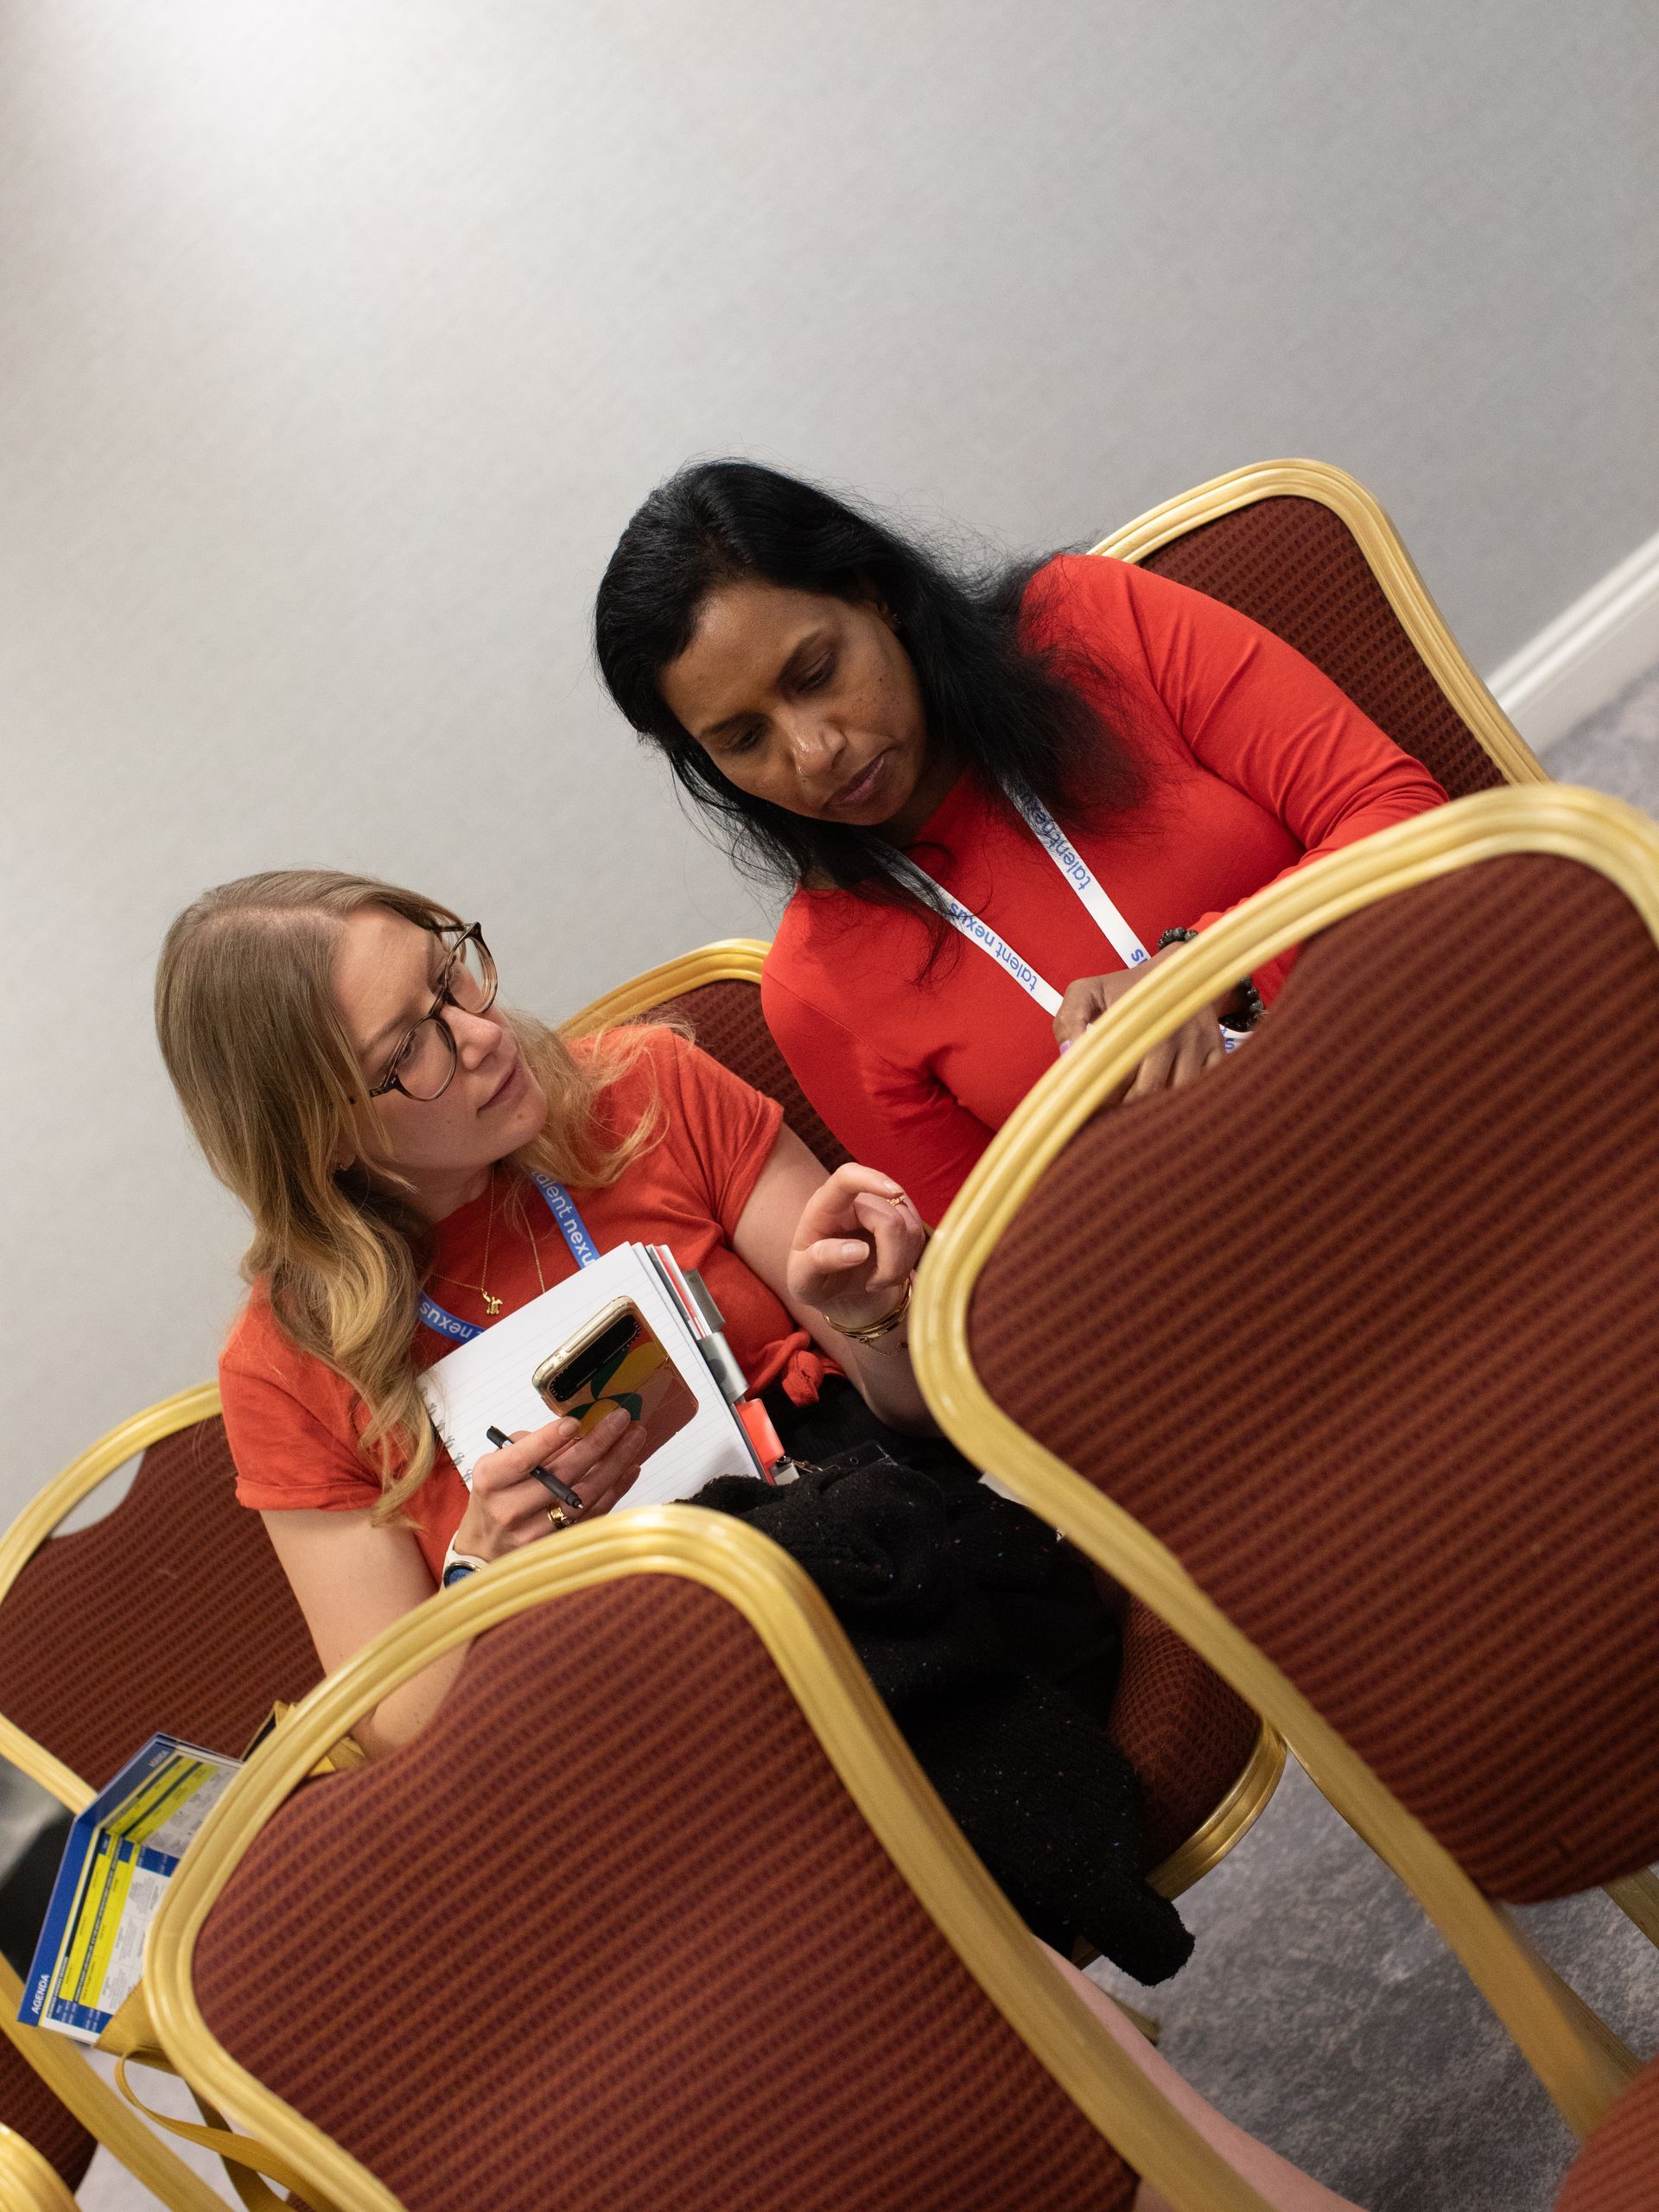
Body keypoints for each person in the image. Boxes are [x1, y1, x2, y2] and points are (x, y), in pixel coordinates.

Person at [157, 868, 931, 1758]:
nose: (482, 1034)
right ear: (318, 1138)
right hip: (628, 1715)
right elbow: (397, 1728)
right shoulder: (285, 1361)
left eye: (448, 975)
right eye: (407, 1051)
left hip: (865, 1557)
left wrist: (877, 1320)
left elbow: (923, 1406)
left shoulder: (651, 1085)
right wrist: (487, 1573)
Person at [594, 461, 1449, 1224]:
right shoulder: (818, 988)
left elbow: (1401, 811)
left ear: (872, 592)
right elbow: (1009, 1278)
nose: (814, 751)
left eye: (816, 674)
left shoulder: (1092, 626)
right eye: (745, 740)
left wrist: (1209, 972)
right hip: (1240, 1255)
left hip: (1432, 1051)